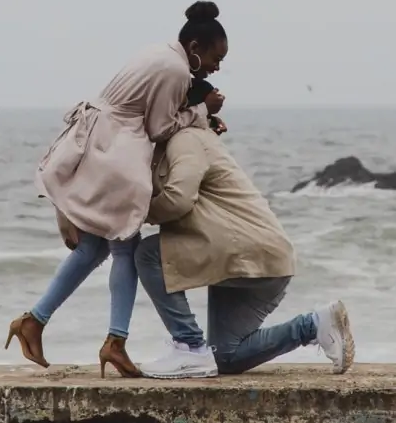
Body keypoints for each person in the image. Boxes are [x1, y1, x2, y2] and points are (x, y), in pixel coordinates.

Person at [5, 1, 229, 378]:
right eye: (214, 57)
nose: (217, 66)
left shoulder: (158, 52)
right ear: (195, 48)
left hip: (100, 141)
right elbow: (160, 127)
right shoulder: (175, 69)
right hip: (116, 151)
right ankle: (115, 342)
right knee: (125, 243)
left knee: (93, 246)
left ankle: (35, 321)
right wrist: (203, 111)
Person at [134, 124, 355, 379]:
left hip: (250, 254)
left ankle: (189, 346)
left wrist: (135, 215)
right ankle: (315, 324)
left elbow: (179, 199)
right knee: (227, 357)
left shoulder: (187, 139)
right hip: (251, 258)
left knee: (149, 253)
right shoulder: (186, 139)